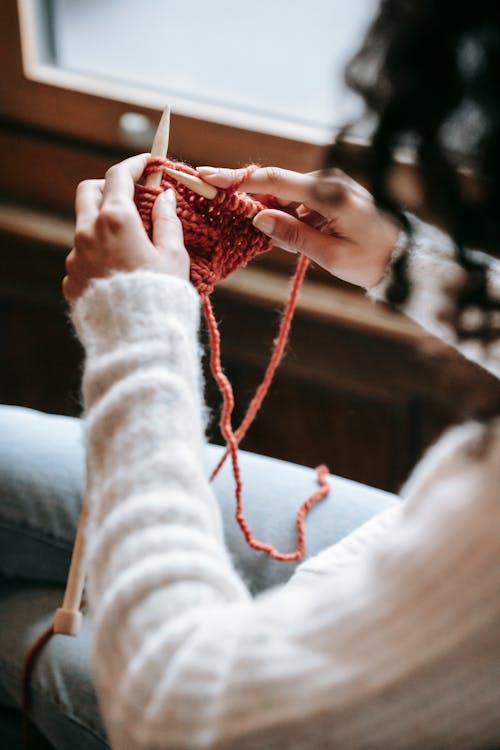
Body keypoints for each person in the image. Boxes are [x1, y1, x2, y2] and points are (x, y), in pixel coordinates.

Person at [2, 0, 500, 747]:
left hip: (402, 619)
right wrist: (399, 265)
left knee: (15, 614)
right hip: (401, 547)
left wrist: (137, 328)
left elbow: (177, 712)